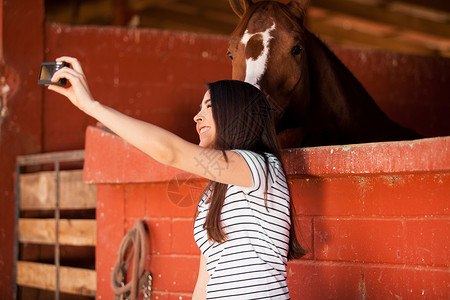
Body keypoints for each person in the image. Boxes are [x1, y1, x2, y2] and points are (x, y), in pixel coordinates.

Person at [49, 56, 307, 299]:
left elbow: (169, 152)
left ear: (237, 114)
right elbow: (204, 282)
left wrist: (92, 106)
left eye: (209, 107)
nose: (197, 117)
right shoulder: (214, 191)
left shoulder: (259, 166)